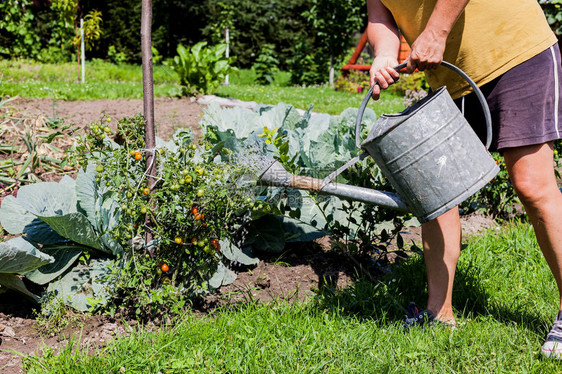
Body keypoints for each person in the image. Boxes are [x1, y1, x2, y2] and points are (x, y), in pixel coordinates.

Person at [366, 0, 562, 357]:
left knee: (532, 185)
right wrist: (383, 54)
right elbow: (380, 16)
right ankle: (439, 313)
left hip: (514, 52)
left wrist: (437, 32)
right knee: (436, 192)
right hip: (452, 77)